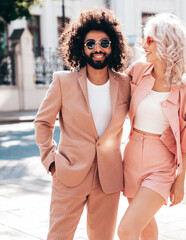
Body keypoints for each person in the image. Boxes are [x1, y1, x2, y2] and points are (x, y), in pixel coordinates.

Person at [33, 8, 130, 240]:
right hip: (68, 173)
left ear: (113, 46)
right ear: (80, 47)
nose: (98, 48)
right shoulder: (62, 82)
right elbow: (43, 122)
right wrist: (51, 161)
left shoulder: (125, 84)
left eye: (104, 42)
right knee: (58, 236)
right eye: (91, 43)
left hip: (108, 178)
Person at [117, 13, 186, 240]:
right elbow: (112, 88)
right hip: (131, 156)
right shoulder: (138, 70)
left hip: (162, 164)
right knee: (145, 226)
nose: (143, 45)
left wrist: (180, 180)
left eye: (150, 40)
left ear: (167, 43)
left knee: (126, 229)